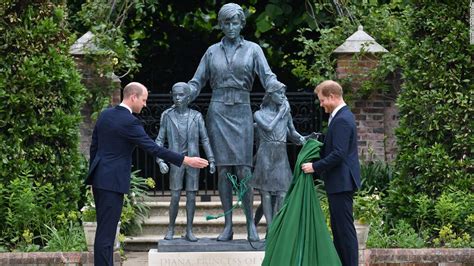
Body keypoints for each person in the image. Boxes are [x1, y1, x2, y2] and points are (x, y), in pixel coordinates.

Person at [85, 82, 208, 265]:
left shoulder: (105, 115)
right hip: (113, 182)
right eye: (143, 100)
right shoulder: (129, 121)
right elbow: (153, 148)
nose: (144, 104)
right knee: (107, 233)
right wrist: (186, 160)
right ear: (133, 97)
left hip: (100, 179)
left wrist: (95, 173)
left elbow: (94, 147)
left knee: (104, 230)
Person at [187, 3, 280, 242]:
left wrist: (277, 90)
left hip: (241, 111)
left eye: (235, 22)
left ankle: (250, 223)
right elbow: (197, 81)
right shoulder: (211, 52)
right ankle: (228, 226)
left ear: (242, 24)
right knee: (223, 170)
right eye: (226, 23)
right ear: (220, 24)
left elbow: (267, 76)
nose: (230, 27)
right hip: (217, 113)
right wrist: (185, 92)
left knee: (243, 170)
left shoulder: (253, 50)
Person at [301, 80, 361, 266]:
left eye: (322, 100)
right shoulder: (339, 116)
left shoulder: (342, 118)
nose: (321, 104)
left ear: (332, 97)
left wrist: (315, 166)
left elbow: (339, 153)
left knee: (344, 231)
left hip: (342, 182)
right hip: (338, 182)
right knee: (338, 230)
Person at [155, 82, 216, 242]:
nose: (177, 98)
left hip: (193, 161)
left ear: (188, 97)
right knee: (175, 196)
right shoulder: (167, 116)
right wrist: (160, 160)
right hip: (176, 161)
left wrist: (211, 159)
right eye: (175, 95)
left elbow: (205, 139)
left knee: (191, 196)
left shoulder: (196, 116)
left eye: (181, 95)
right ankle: (171, 229)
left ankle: (189, 230)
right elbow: (159, 141)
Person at [251, 81, 305, 229]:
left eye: (284, 93)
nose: (283, 96)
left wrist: (304, 139)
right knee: (266, 193)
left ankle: (277, 226)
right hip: (265, 154)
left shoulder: (285, 115)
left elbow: (292, 133)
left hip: (280, 154)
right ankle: (270, 227)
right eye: (279, 93)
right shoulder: (258, 114)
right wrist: (281, 114)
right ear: (270, 95)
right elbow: (268, 128)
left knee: (282, 192)